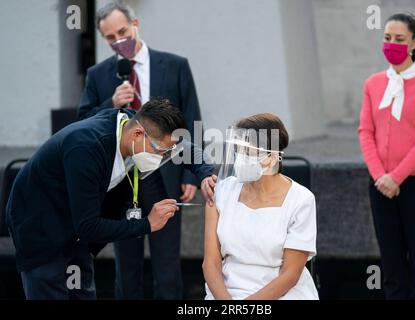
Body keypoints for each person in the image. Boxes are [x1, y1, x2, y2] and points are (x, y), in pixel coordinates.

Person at [6, 98, 216, 299]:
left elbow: (184, 148)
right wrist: (147, 224)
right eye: (160, 151)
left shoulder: (133, 123)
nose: (162, 157)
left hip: (76, 232)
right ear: (136, 135)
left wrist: (205, 173)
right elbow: (88, 226)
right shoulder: (86, 148)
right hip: (40, 227)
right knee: (50, 288)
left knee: (81, 291)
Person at [78, 2, 203, 299]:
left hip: (166, 174)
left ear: (135, 25)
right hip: (121, 180)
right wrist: (110, 105)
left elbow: (193, 121)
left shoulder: (174, 65)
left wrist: (190, 173)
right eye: (110, 37)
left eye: (122, 31)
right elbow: (82, 124)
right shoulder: (98, 75)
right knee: (126, 265)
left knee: (167, 264)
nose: (119, 41)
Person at [358, 13, 415, 299]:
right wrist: (380, 176)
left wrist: (396, 177)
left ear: (414, 42)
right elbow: (365, 131)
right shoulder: (373, 83)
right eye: (387, 38)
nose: (391, 44)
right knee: (391, 265)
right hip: (380, 184)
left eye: (399, 39)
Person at [202, 113, 319, 300]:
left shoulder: (301, 200)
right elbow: (211, 263)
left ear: (272, 158)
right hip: (226, 292)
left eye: (247, 151)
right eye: (237, 150)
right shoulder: (220, 192)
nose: (240, 158)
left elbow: (290, 274)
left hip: (282, 293)